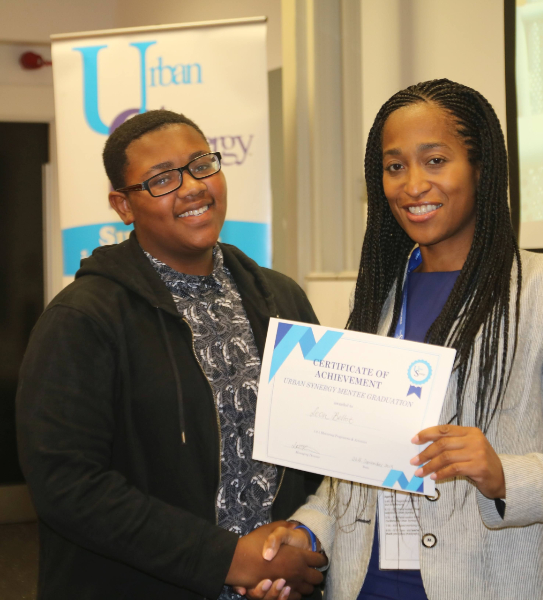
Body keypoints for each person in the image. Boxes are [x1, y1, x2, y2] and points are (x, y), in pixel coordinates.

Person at [240, 79, 543, 600]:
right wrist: (308, 527)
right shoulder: (376, 300)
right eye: (395, 166)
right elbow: (355, 466)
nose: (412, 185)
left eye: (435, 161)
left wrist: (502, 475)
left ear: (481, 169)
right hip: (364, 586)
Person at [16, 110, 326, 600]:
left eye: (201, 165)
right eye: (161, 179)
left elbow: (320, 443)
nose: (192, 188)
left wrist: (302, 539)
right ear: (122, 205)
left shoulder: (280, 298)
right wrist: (227, 560)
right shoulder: (83, 318)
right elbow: (67, 486)